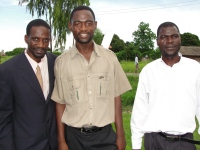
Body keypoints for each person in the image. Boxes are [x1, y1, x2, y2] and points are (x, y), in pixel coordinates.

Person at [51, 5, 132, 150]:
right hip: (74, 138)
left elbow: (116, 98)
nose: (83, 28)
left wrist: (120, 135)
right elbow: (60, 103)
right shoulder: (61, 63)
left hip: (105, 137)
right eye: (77, 24)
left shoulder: (110, 59)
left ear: (95, 25)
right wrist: (62, 140)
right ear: (70, 26)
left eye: (88, 23)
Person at [130, 21, 200, 150]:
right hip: (154, 142)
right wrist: (136, 146)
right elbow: (139, 111)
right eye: (164, 37)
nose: (169, 40)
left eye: (174, 36)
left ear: (180, 39)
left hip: (184, 142)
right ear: (157, 41)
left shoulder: (195, 69)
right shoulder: (148, 71)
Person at [0, 19, 58, 150]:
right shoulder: (7, 70)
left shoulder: (56, 63)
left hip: (54, 144)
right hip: (25, 146)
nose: (41, 45)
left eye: (45, 40)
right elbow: (3, 117)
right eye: (35, 39)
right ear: (26, 38)